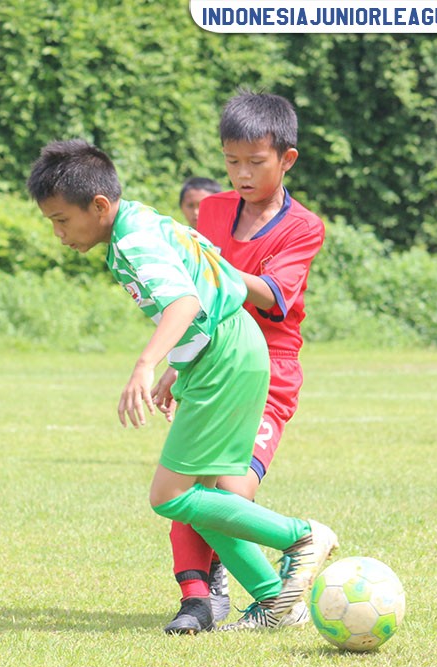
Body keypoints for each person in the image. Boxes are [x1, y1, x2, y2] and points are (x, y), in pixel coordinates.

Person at [27, 139, 337, 632]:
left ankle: (299, 537)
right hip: (230, 348)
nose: (58, 232)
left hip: (227, 356)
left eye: (61, 220)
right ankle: (276, 600)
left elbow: (186, 304)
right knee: (208, 496)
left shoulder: (134, 240)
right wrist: (180, 366)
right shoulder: (142, 220)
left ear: (99, 206)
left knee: (169, 496)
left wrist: (147, 364)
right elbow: (215, 287)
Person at [163, 91, 327, 634]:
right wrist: (175, 365)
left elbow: (275, 295)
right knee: (187, 486)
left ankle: (274, 588)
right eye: (232, 161)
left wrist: (222, 275)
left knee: (229, 497)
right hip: (210, 365)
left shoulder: (303, 227)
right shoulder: (209, 212)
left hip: (268, 376)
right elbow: (196, 300)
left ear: (287, 159)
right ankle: (199, 598)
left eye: (256, 162)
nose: (241, 174)